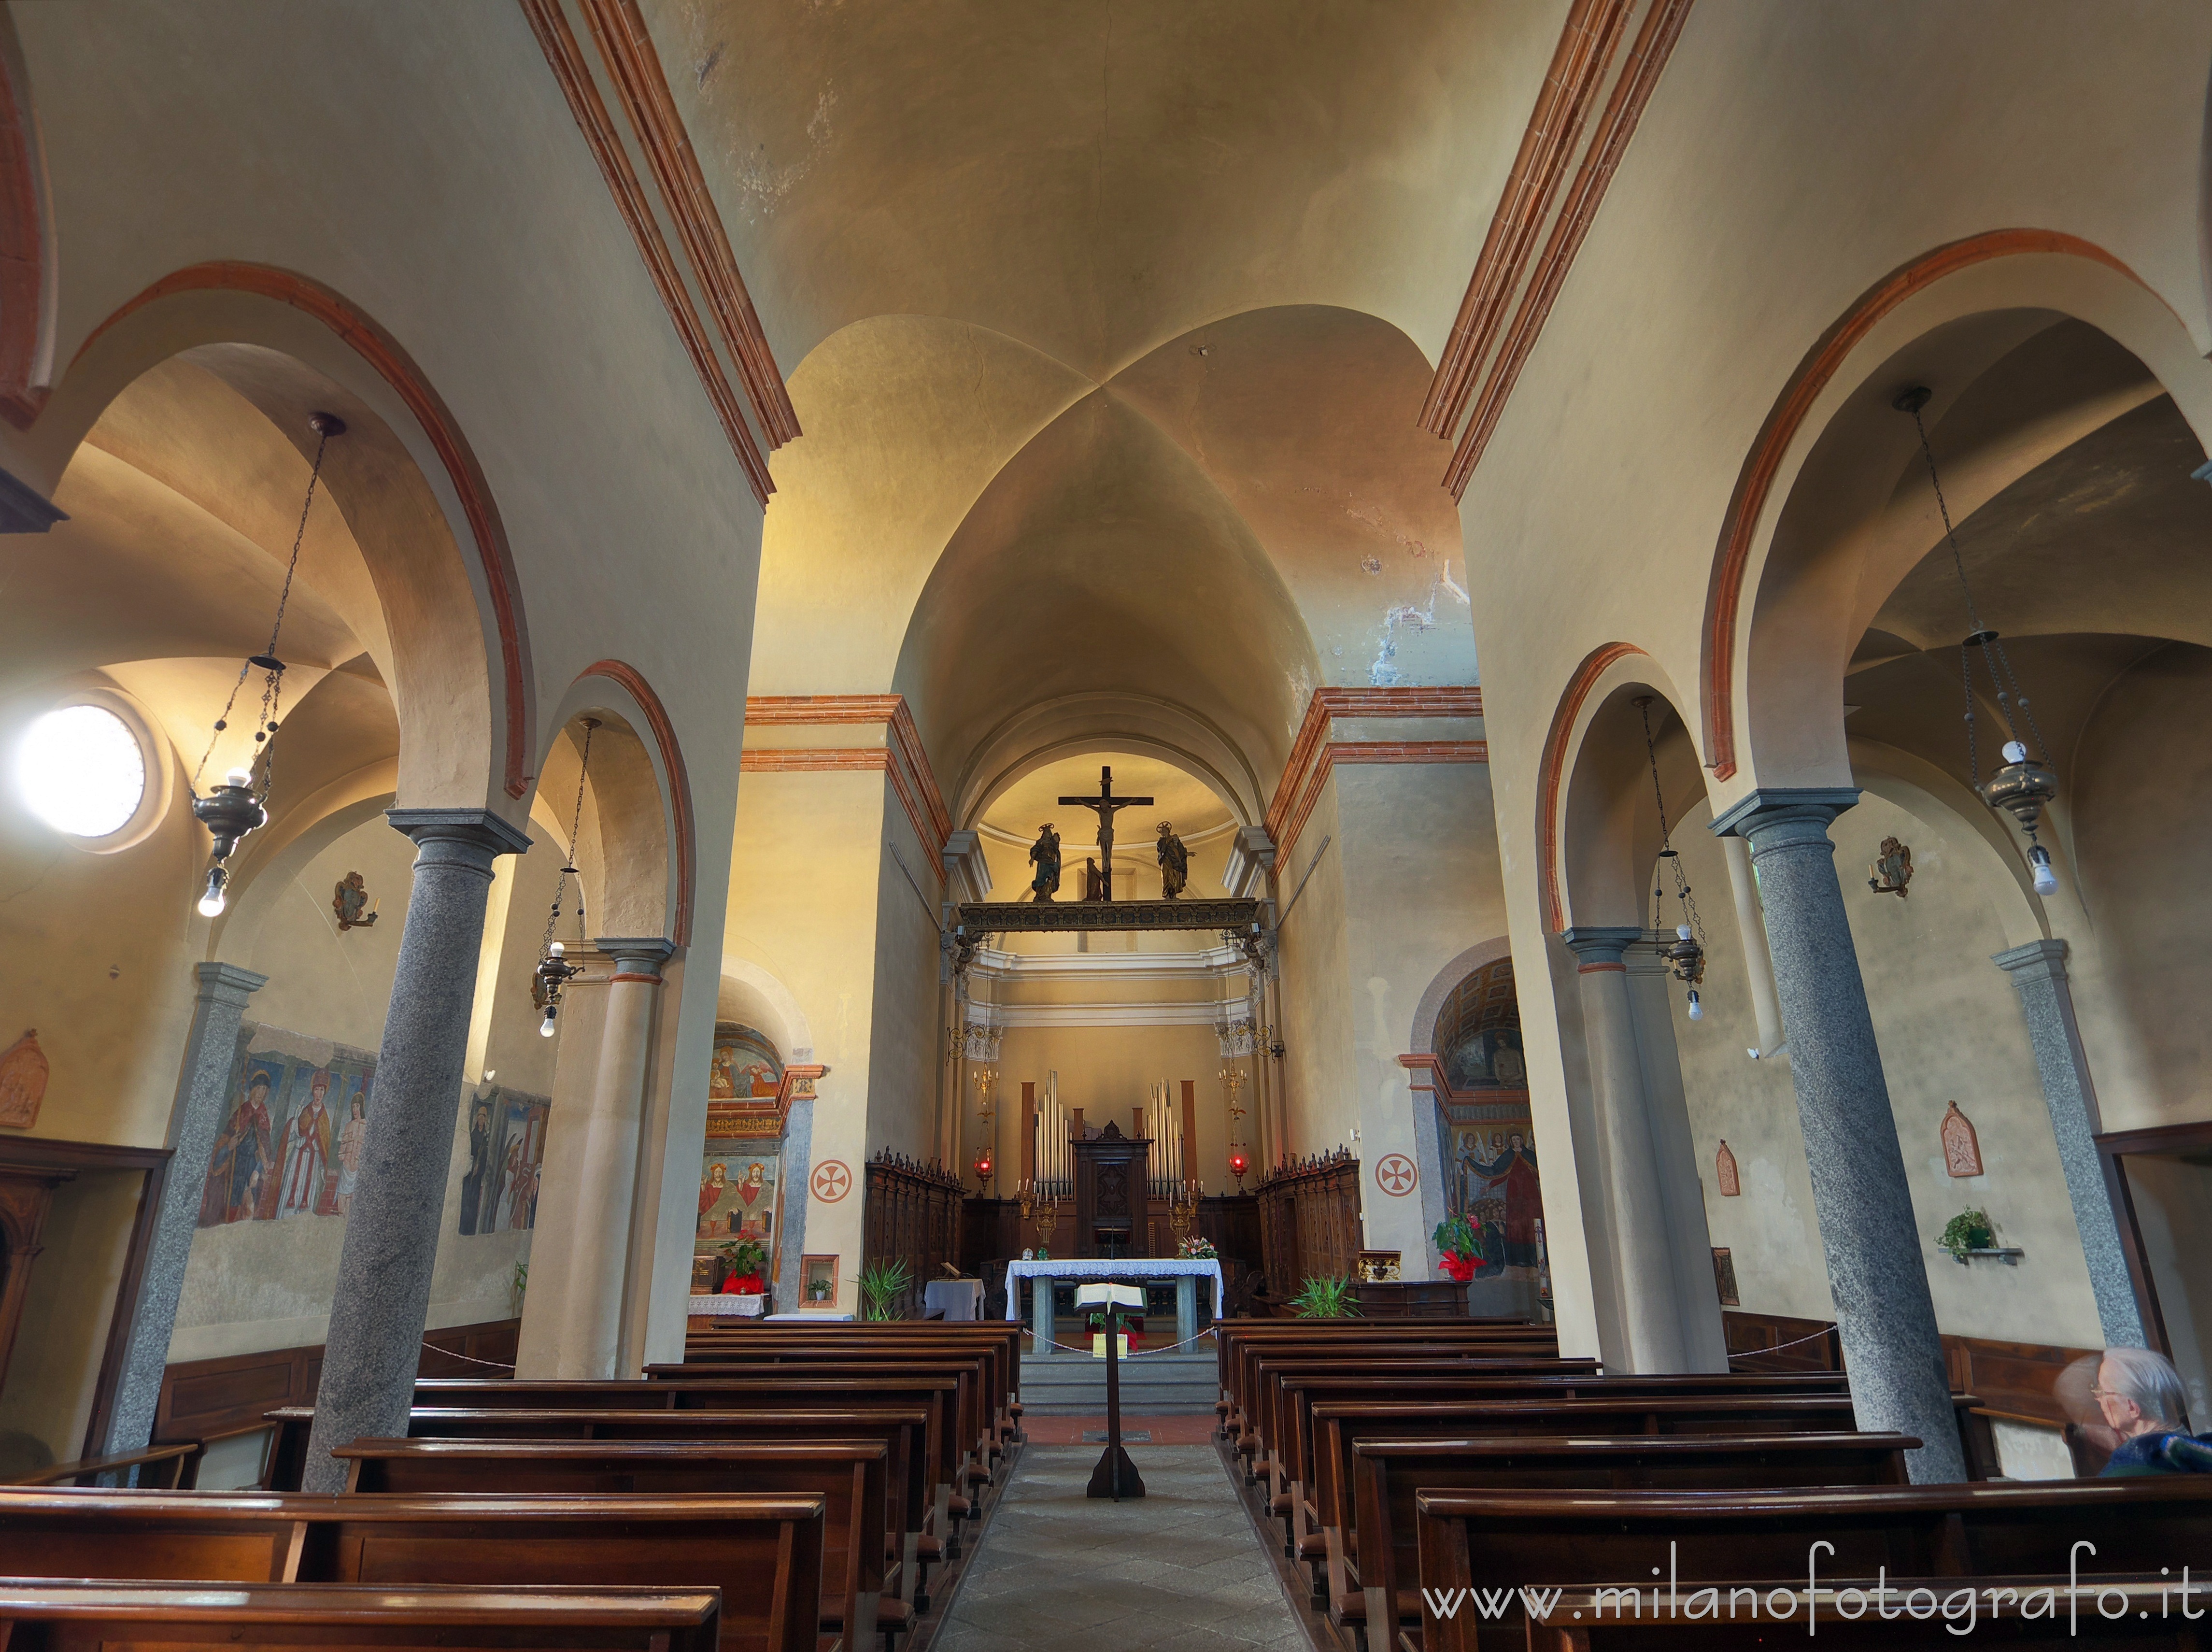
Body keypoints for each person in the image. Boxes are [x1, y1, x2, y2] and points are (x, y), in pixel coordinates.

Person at [2094, 1347, 2212, 1474]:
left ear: (2132, 1407)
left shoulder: (2130, 1465)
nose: (2098, 1399)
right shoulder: (2202, 1452)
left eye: (2102, 1392)